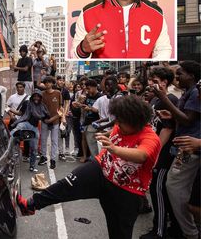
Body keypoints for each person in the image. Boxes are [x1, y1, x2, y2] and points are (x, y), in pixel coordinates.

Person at [16, 95, 161, 239]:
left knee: (119, 232)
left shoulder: (150, 137)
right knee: (66, 184)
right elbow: (115, 130)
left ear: (136, 122)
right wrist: (105, 134)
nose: (118, 124)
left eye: (122, 122)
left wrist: (114, 148)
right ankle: (30, 205)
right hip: (101, 169)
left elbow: (142, 155)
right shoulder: (122, 124)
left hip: (126, 191)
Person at [154, 61, 200, 239]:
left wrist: (164, 99)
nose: (177, 77)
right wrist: (172, 115)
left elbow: (188, 120)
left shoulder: (195, 91)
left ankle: (190, 232)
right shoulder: (189, 92)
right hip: (185, 148)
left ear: (192, 76)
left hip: (191, 149)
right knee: (178, 188)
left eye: (181, 74)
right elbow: (186, 118)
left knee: (174, 186)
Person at [140, 66, 181, 239]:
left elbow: (168, 129)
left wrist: (155, 152)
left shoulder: (169, 99)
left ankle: (160, 231)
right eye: (150, 80)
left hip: (164, 153)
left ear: (165, 82)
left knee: (158, 191)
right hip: (155, 149)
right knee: (157, 190)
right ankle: (167, 227)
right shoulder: (156, 100)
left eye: (155, 81)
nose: (150, 84)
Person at [10, 89, 50, 172]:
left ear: (40, 97)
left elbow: (46, 117)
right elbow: (20, 113)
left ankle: (32, 166)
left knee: (34, 149)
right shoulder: (27, 103)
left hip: (34, 128)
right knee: (13, 133)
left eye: (38, 96)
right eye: (35, 96)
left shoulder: (42, 106)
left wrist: (59, 116)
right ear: (32, 96)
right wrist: (9, 109)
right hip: (25, 123)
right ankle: (7, 142)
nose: (36, 98)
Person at [38, 77, 63, 169]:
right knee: (43, 139)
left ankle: (53, 159)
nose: (47, 84)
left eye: (49, 82)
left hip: (55, 121)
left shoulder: (58, 93)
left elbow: (61, 109)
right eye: (46, 83)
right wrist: (44, 119)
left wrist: (53, 118)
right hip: (45, 120)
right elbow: (40, 108)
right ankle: (43, 156)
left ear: (52, 83)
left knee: (54, 141)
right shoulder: (42, 94)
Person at [81, 79, 102, 157]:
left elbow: (100, 110)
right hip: (87, 121)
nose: (88, 90)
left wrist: (89, 108)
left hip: (96, 123)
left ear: (95, 87)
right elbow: (85, 106)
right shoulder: (87, 96)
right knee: (90, 143)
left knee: (94, 145)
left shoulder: (100, 97)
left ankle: (96, 161)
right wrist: (80, 105)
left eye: (89, 88)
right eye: (87, 88)